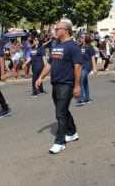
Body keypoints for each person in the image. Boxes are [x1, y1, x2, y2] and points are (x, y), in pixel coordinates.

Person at [35, 21, 82, 154]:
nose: (55, 31)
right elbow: (49, 64)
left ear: (65, 30)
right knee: (62, 110)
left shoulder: (73, 46)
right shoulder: (56, 45)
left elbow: (78, 66)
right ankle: (72, 132)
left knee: (60, 113)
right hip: (55, 83)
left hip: (67, 84)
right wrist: (40, 77)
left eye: (57, 29)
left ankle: (60, 142)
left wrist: (77, 86)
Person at [76, 34, 97, 106]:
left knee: (80, 80)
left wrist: (94, 68)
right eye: (80, 37)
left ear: (85, 39)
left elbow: (93, 58)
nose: (80, 38)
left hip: (87, 66)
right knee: (84, 82)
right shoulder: (79, 46)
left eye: (82, 37)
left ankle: (81, 99)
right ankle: (87, 98)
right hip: (80, 66)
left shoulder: (89, 47)